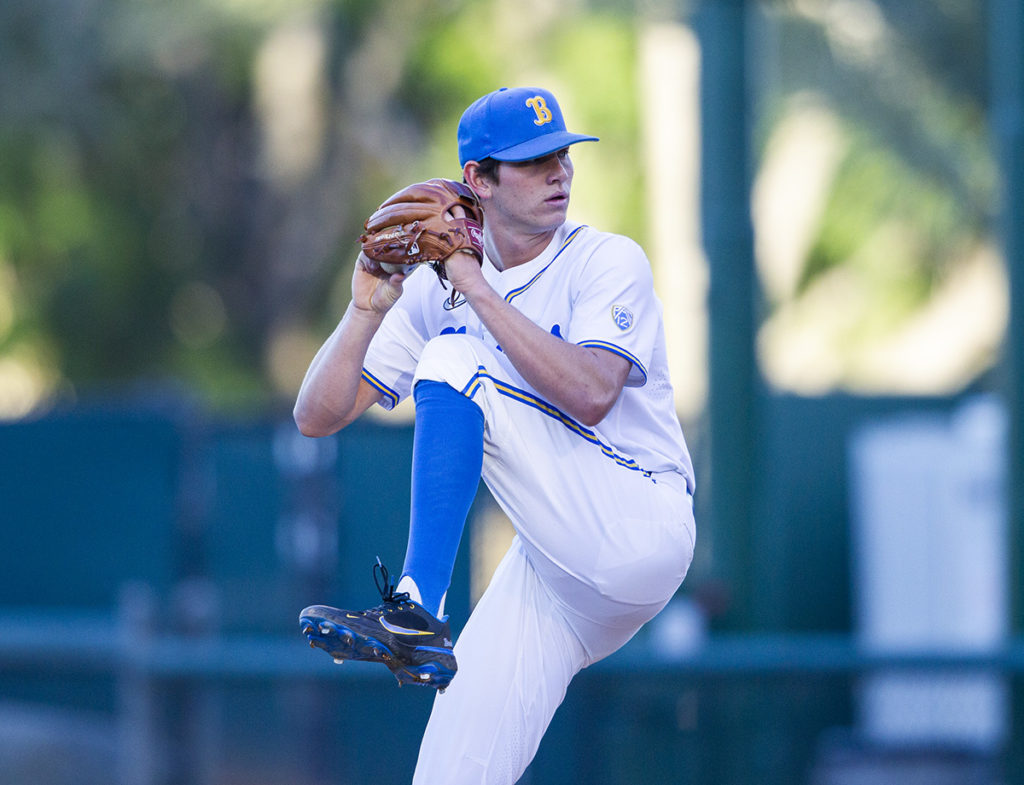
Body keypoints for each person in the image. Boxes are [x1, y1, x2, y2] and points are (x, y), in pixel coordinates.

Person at [293, 85, 696, 785]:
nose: (560, 173)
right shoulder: (434, 291)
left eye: (563, 156)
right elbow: (316, 416)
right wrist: (364, 311)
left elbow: (594, 394)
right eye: (534, 161)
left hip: (639, 518)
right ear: (478, 178)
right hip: (555, 568)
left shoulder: (605, 260)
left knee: (455, 356)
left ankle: (418, 608)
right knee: (452, 774)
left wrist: (472, 286)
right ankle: (420, 622)